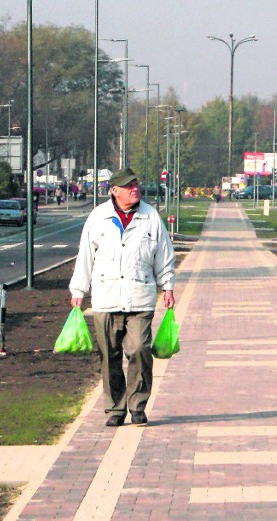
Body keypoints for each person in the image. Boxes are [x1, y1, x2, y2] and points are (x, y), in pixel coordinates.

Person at [69, 168, 176, 427]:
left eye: (136, 185)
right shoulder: (98, 217)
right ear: (114, 191)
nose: (135, 190)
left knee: (140, 350)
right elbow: (86, 256)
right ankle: (115, 409)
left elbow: (163, 255)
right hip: (106, 299)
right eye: (129, 186)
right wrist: (78, 290)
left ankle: (137, 406)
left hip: (140, 297)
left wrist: (168, 286)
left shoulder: (150, 217)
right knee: (109, 357)